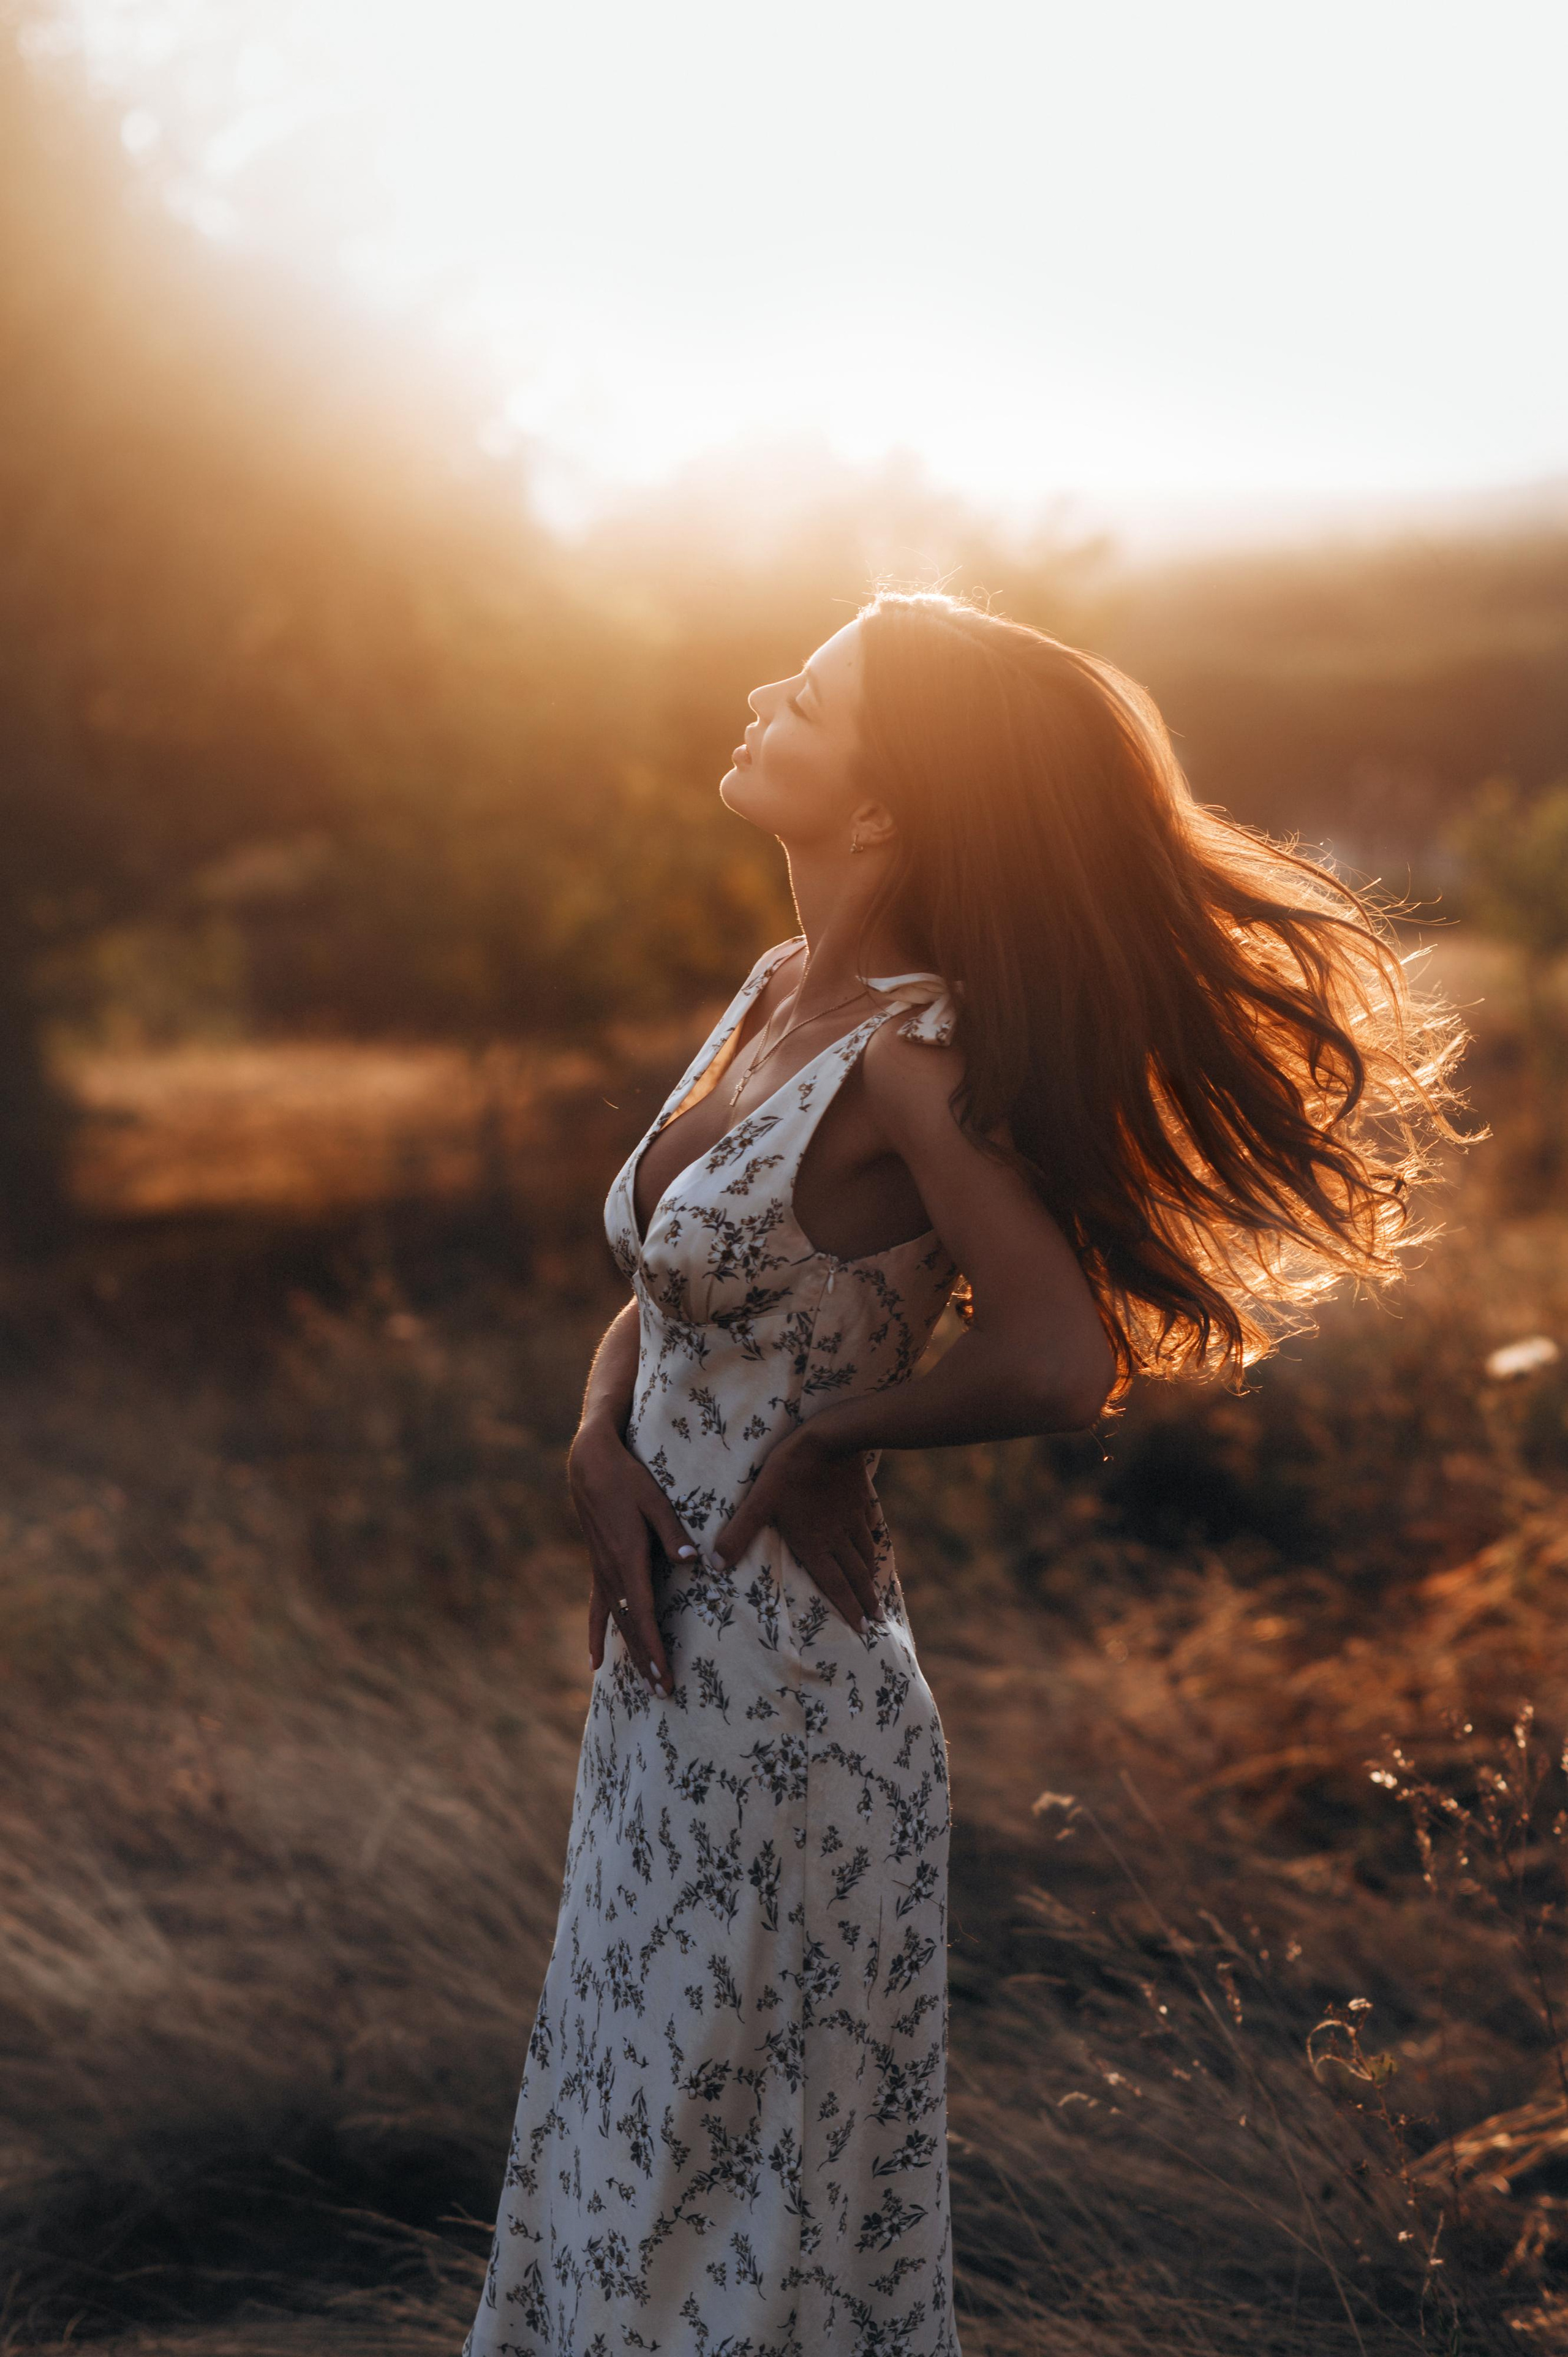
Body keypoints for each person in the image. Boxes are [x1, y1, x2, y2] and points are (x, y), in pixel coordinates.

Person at [462, 590, 1460, 2357]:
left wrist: (837, 1431)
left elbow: (1062, 1356)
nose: (763, 689)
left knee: (742, 2193)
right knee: (630, 2141)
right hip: (666, 1685)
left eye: (818, 697)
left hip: (795, 1704)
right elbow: (678, 1282)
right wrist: (593, 1434)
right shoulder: (773, 990)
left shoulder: (913, 1064)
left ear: (884, 808)